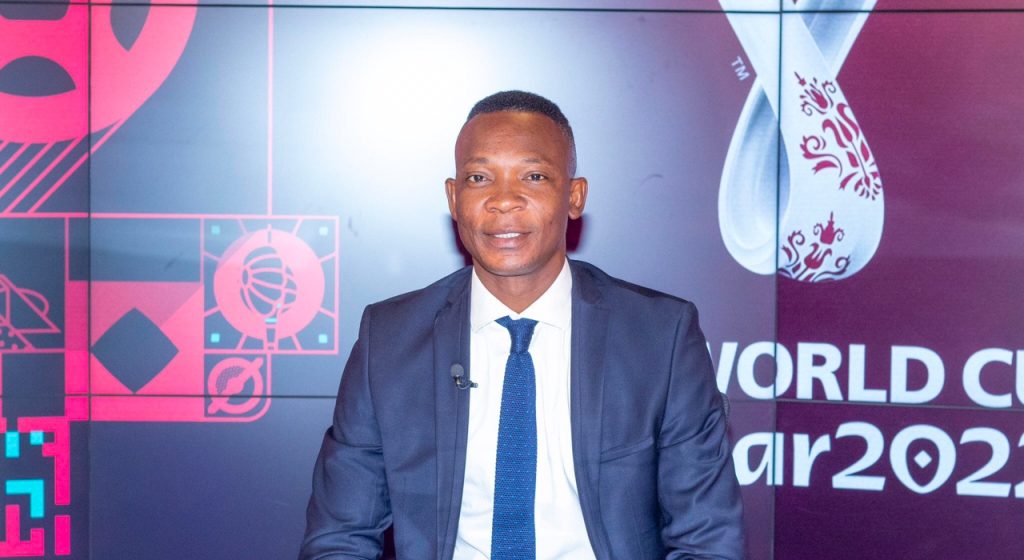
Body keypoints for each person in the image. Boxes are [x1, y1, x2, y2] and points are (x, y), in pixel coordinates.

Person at [301, 91, 744, 559]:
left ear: (574, 196)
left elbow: (706, 539)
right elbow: (340, 537)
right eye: (479, 178)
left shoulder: (660, 337)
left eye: (533, 176)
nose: (503, 201)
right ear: (454, 198)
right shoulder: (389, 340)